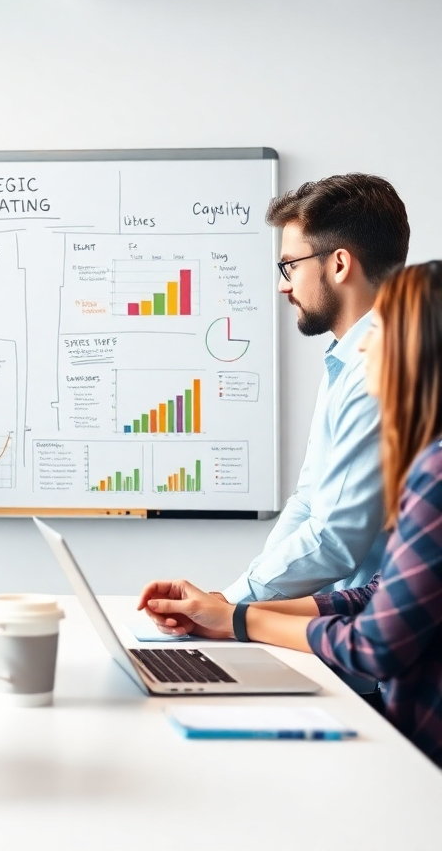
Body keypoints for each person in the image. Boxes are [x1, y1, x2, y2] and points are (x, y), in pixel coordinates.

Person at [139, 262, 442, 767]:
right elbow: (375, 594)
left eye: (379, 331)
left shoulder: (436, 472)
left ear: (417, 350)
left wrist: (240, 618)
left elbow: (372, 646)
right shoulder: (426, 463)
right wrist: (227, 615)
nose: (363, 347)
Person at [220, 174, 409, 604]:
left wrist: (233, 607)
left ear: (339, 264)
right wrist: (236, 601)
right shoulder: (349, 356)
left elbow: (335, 540)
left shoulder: (382, 367)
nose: (283, 284)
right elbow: (309, 500)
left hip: (376, 630)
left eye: (291, 265)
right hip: (332, 619)